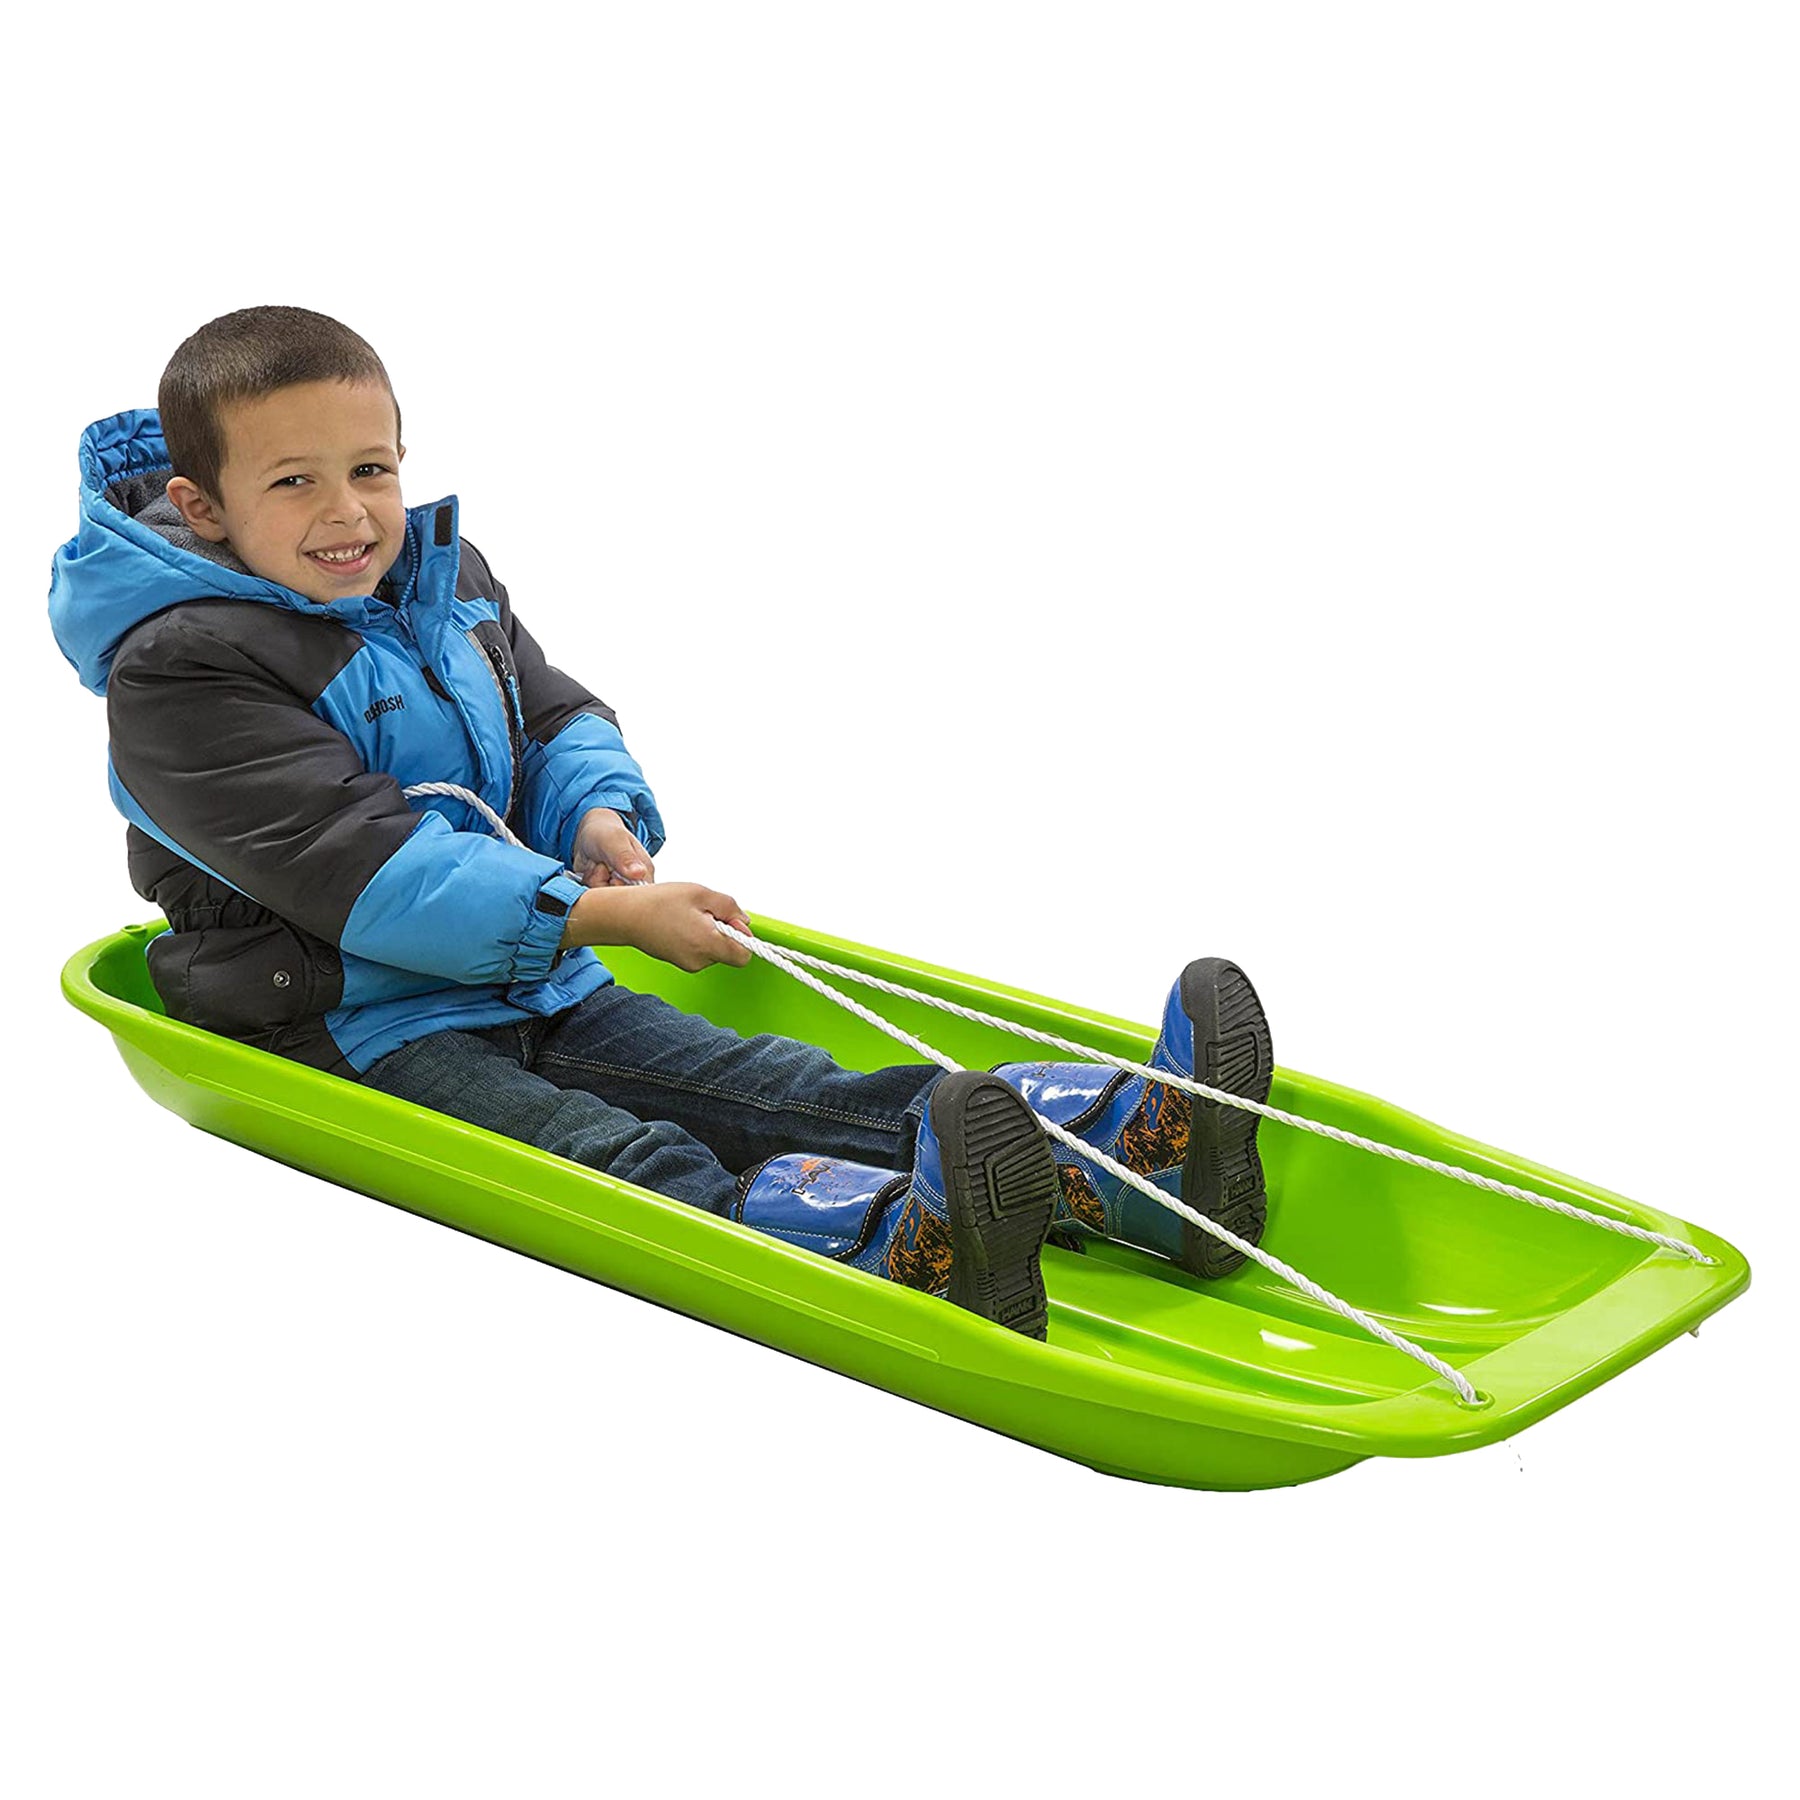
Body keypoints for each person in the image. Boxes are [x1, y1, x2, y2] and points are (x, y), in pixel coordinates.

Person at [48, 305, 1274, 1343]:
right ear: (203, 506)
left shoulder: (437, 580)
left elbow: (547, 714)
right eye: (295, 481)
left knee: (775, 1085)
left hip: (526, 973)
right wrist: (600, 918)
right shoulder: (181, 673)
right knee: (614, 1152)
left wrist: (592, 813)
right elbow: (363, 869)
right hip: (342, 1022)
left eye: (372, 469)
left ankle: (1129, 1161)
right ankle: (900, 1252)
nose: (351, 513)